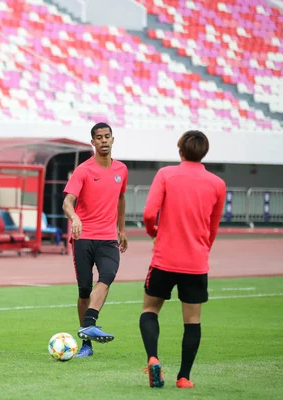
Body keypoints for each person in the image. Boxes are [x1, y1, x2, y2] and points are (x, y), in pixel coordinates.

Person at [139, 130, 226, 389]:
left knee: (150, 310)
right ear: (204, 153)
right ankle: (184, 377)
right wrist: (202, 249)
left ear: (180, 151)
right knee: (192, 322)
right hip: (195, 263)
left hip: (164, 258)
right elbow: (213, 226)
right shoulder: (217, 184)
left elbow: (147, 214)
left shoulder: (165, 174)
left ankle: (153, 358)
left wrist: (153, 233)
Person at [62, 122, 129, 358]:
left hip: (108, 238)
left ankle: (90, 322)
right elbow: (67, 202)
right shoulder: (83, 170)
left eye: (107, 137)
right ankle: (86, 345)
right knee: (84, 290)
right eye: (98, 137)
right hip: (83, 237)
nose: (103, 140)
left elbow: (121, 200)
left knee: (108, 276)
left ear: (112, 139)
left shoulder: (122, 170)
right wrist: (75, 217)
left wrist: (121, 229)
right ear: (92, 142)